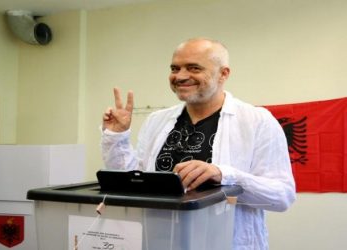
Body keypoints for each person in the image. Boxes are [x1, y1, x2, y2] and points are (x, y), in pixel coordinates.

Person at [101, 38, 296, 249]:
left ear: (224, 73)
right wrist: (117, 137)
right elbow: (132, 183)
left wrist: (224, 175)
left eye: (193, 68)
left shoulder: (257, 121)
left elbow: (281, 196)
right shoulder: (157, 121)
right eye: (175, 68)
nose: (181, 76)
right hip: (158, 241)